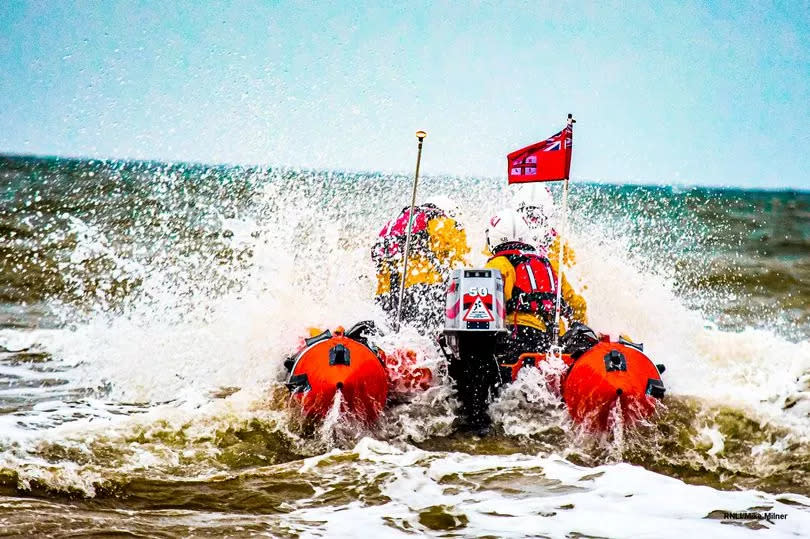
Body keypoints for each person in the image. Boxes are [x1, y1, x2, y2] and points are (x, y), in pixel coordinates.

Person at [484, 208, 588, 368]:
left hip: (517, 340)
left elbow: (488, 309)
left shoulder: (499, 264)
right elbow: (578, 306)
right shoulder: (550, 264)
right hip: (553, 342)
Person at [372, 196, 469, 332]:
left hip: (387, 296)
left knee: (395, 335)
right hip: (424, 292)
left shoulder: (397, 225)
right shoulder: (441, 223)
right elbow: (459, 262)